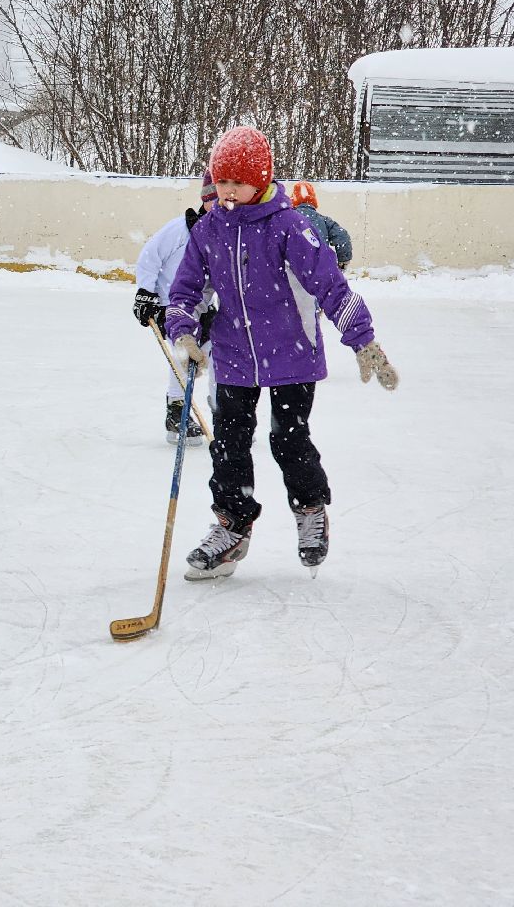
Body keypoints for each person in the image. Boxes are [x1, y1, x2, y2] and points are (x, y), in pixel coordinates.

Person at [165, 126, 400, 580]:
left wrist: (362, 338)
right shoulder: (210, 229)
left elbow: (330, 285)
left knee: (288, 439)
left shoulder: (289, 224)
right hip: (234, 355)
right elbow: (187, 289)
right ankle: (233, 526)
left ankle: (310, 509)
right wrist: (183, 332)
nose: (228, 191)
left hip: (292, 353)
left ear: (261, 178)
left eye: (238, 182)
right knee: (229, 444)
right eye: (222, 181)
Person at [132, 172, 220, 444]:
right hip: (171, 305)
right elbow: (149, 257)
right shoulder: (180, 229)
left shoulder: (226, 232)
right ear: (205, 199)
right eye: (213, 200)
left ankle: (224, 410)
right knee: (183, 356)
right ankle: (176, 410)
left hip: (203, 306)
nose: (220, 206)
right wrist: (146, 293)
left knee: (217, 356)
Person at [289, 181, 353, 269]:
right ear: (313, 200)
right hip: (320, 269)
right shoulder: (324, 220)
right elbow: (342, 236)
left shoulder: (287, 220)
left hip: (294, 269)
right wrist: (343, 261)